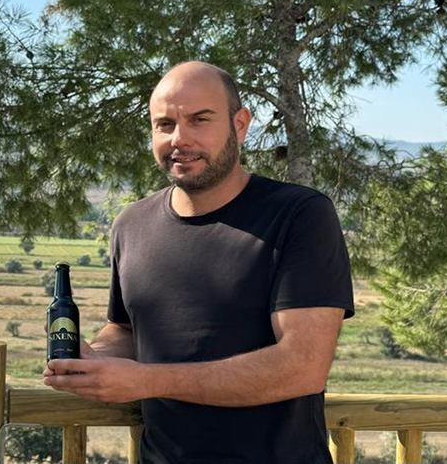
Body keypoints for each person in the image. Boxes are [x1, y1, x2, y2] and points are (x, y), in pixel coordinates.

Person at [43, 61, 354, 463]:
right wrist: (92, 356)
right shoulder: (131, 224)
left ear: (239, 125)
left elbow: (302, 366)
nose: (179, 139)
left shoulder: (299, 214)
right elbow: (128, 329)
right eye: (165, 124)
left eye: (199, 120)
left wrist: (144, 381)